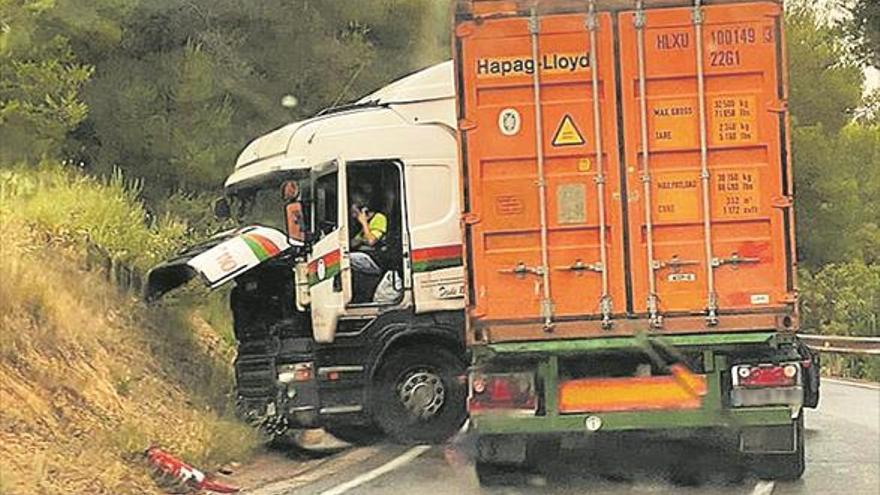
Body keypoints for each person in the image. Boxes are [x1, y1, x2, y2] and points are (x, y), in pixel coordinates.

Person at [349, 191, 388, 302]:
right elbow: (352, 244)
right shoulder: (363, 227)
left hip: (376, 258)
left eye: (354, 208)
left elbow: (371, 241)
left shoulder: (379, 218)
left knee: (345, 259)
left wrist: (364, 223)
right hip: (365, 257)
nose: (351, 212)